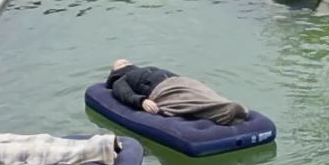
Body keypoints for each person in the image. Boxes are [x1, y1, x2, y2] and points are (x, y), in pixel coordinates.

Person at [105, 60, 250, 126]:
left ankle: (228, 106)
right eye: (121, 64)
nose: (126, 64)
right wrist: (142, 101)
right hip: (162, 90)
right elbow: (124, 94)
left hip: (180, 81)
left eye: (127, 62)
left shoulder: (146, 68)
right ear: (115, 72)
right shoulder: (121, 80)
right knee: (189, 101)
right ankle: (227, 112)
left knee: (203, 92)